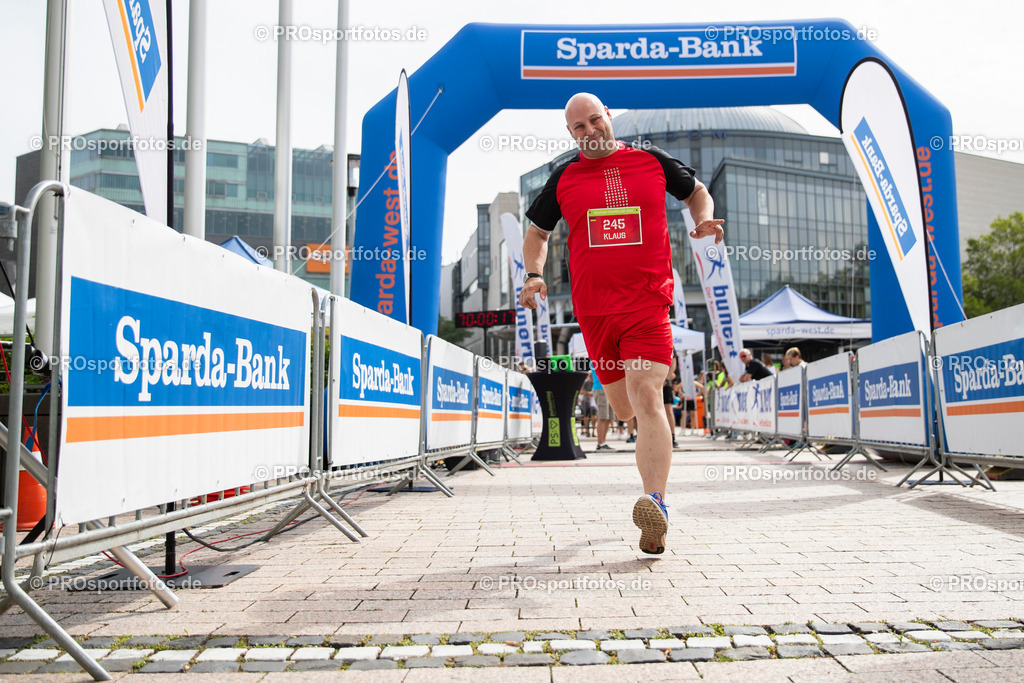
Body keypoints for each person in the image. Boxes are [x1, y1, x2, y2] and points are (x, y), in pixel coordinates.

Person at [519, 92, 724, 555]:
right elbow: (536, 233)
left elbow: (696, 193)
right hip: (594, 313)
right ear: (570, 134)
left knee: (646, 392)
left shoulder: (650, 160)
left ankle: (656, 504)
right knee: (624, 407)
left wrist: (704, 220)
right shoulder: (564, 178)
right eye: (579, 128)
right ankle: (649, 473)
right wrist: (533, 274)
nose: (590, 132)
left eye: (595, 121)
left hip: (648, 302)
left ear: (609, 116)